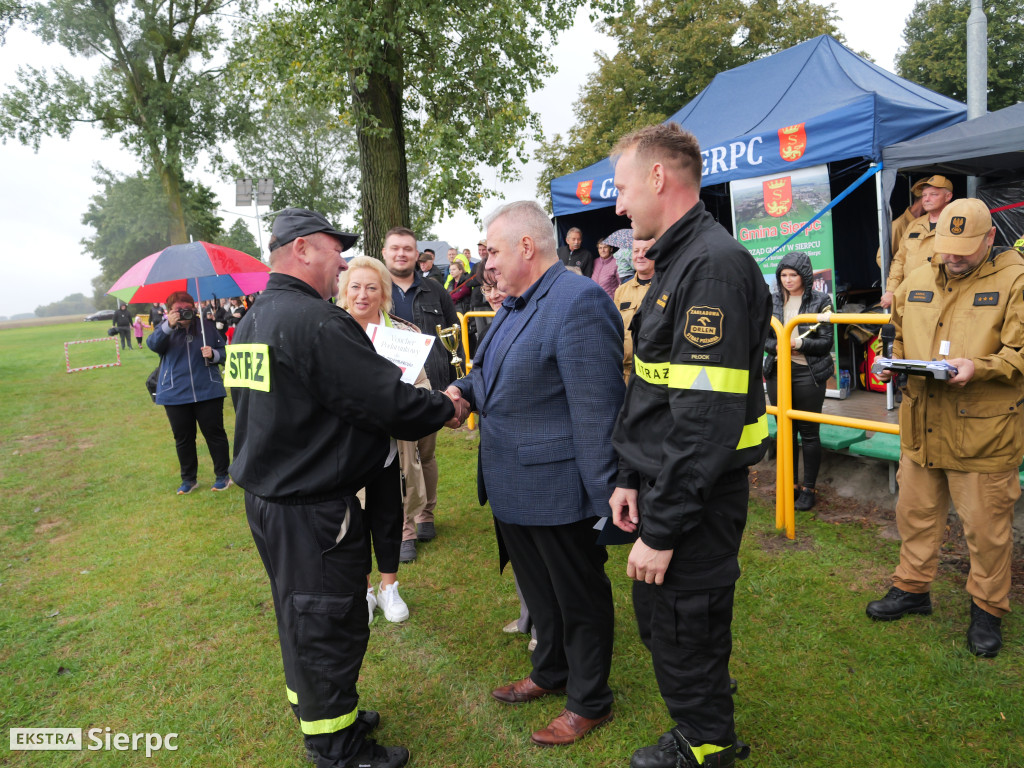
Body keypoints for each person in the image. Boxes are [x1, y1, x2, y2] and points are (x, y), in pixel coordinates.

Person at [229, 208, 465, 768]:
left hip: (269, 502)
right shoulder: (316, 322)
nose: (343, 262)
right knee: (328, 622)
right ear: (304, 248)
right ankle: (337, 747)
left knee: (298, 616)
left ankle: (322, 711)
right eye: (337, 250)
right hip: (311, 509)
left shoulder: (254, 318)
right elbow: (387, 400)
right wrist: (446, 404)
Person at [608, 123, 771, 768]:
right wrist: (628, 474)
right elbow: (653, 387)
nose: (618, 206)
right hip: (663, 480)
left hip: (694, 493)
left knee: (683, 622)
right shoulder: (679, 260)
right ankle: (706, 705)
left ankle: (707, 745)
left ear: (657, 179)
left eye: (622, 188)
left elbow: (703, 420)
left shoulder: (711, 267)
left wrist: (665, 527)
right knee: (664, 619)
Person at [448, 200, 624, 747]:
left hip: (559, 492)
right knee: (540, 595)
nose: (487, 266)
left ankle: (589, 700)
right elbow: (488, 378)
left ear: (528, 247)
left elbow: (598, 412)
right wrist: (459, 391)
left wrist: (605, 505)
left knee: (579, 598)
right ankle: (550, 671)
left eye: (493, 252)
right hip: (512, 485)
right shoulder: (514, 305)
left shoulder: (579, 303)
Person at [865, 199, 1024, 659]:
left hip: (982, 434)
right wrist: (889, 359)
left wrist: (980, 366)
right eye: (947, 248)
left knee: (986, 529)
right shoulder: (919, 277)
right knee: (914, 515)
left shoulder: (1015, 279)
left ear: (990, 239)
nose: (953, 258)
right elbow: (892, 329)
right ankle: (912, 589)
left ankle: (988, 609)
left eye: (965, 250)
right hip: (922, 426)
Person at [338, 255, 433, 625]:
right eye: (356, 287)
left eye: (372, 287)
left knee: (390, 516)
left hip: (393, 448)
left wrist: (407, 399)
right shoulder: (333, 332)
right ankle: (363, 590)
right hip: (348, 449)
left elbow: (424, 385)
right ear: (345, 292)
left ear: (384, 294)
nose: (363, 295)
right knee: (355, 521)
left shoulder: (403, 335)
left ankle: (389, 587)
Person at [382, 227, 459, 560]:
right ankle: (405, 529)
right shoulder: (375, 289)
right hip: (389, 390)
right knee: (401, 461)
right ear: (385, 253)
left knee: (425, 456)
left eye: (408, 249)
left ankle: (426, 514)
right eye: (395, 249)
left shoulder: (435, 290)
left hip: (428, 387)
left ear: (417, 255)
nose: (401, 254)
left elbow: (451, 332)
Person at [762, 253, 834, 512]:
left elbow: (827, 342)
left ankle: (809, 488)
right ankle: (789, 485)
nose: (788, 280)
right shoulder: (771, 300)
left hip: (809, 373)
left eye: (793, 275)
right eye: (783, 275)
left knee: (809, 433)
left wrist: (798, 343)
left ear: (804, 276)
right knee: (785, 432)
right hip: (777, 372)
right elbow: (763, 338)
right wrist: (781, 345)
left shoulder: (821, 300)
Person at [146, 291, 232, 494]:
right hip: (175, 393)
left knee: (215, 434)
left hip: (208, 390)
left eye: (189, 309)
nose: (185, 313)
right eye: (179, 310)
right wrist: (169, 325)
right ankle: (188, 479)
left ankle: (222, 476)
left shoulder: (206, 326)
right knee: (183, 438)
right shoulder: (164, 330)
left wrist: (215, 354)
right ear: (169, 312)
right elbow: (152, 345)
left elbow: (226, 352)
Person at [880, 175, 954, 309]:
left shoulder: (956, 224)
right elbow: (900, 260)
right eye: (924, 195)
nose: (926, 199)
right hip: (912, 294)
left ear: (948, 197)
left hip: (943, 296)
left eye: (933, 194)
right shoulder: (914, 225)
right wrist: (891, 291)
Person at [613, 237, 656, 383]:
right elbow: (616, 330)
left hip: (655, 373)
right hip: (626, 373)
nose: (640, 255)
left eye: (646, 251)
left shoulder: (667, 286)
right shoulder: (621, 291)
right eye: (636, 251)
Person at [876, 178, 928, 269]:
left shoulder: (931, 220)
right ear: (924, 197)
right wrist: (901, 277)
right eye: (933, 194)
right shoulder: (898, 225)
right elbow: (882, 259)